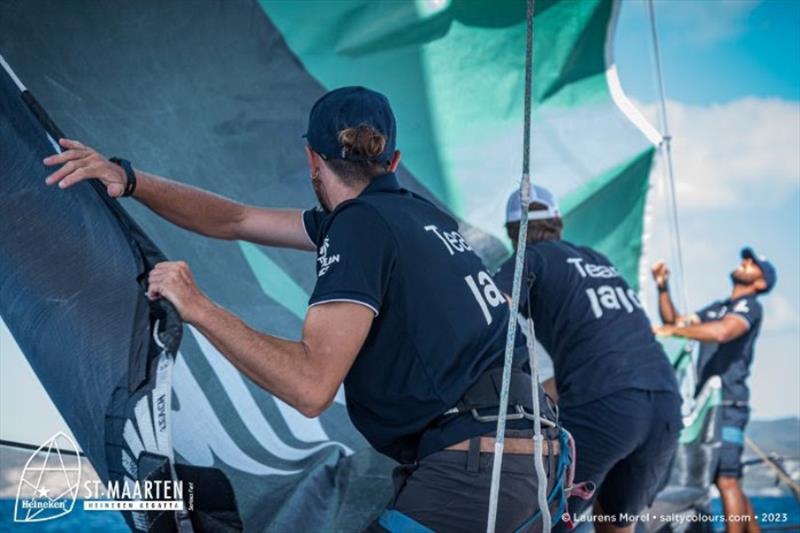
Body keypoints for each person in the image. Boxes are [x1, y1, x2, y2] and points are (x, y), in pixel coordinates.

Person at [43, 86, 561, 532]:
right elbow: (236, 219)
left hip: (475, 472)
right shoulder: (418, 217)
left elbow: (310, 388)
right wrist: (130, 180)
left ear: (311, 159)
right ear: (394, 163)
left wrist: (197, 305)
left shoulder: (362, 227)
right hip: (533, 464)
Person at [494, 186, 682, 533]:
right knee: (615, 522)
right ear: (558, 223)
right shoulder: (597, 261)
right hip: (665, 405)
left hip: (609, 406)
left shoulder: (529, 259)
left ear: (512, 234)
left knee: (539, 523)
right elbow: (600, 354)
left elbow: (489, 311)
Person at [652, 249, 776, 533]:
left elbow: (722, 332)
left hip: (729, 403)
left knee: (727, 480)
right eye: (746, 259)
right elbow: (674, 321)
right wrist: (662, 287)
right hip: (711, 404)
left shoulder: (750, 307)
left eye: (753, 263)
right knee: (728, 478)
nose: (745, 261)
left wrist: (674, 331)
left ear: (761, 283)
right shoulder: (718, 308)